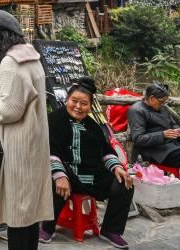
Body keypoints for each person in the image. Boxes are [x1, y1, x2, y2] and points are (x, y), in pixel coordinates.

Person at [0, 10, 53, 250]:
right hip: (36, 144)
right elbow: (23, 96)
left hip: (19, 148)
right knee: (30, 213)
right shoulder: (32, 57)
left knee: (18, 214)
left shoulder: (10, 63)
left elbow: (7, 112)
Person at [42, 77, 133, 248]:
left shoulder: (94, 127)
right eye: (74, 101)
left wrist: (117, 168)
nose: (78, 106)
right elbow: (50, 151)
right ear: (67, 100)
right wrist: (60, 175)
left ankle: (111, 230)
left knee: (124, 183)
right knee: (56, 179)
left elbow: (106, 151)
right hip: (66, 173)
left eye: (84, 103)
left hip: (91, 177)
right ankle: (47, 227)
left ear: (90, 106)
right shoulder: (53, 120)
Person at [127, 82, 180, 204]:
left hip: (170, 147)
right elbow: (138, 138)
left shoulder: (163, 108)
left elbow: (174, 125)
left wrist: (178, 131)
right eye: (161, 102)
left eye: (164, 102)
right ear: (151, 98)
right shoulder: (136, 110)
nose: (163, 104)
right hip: (154, 151)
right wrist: (163, 135)